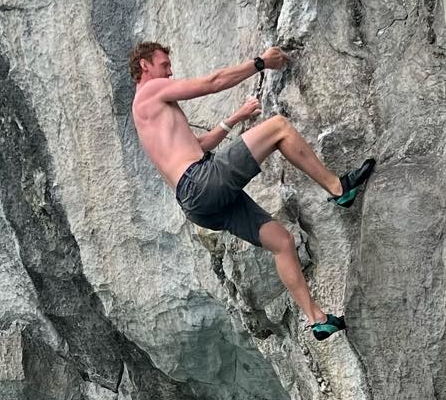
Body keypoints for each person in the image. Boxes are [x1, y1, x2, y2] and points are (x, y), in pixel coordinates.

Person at [128, 40, 373, 339]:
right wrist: (261, 62)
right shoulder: (150, 91)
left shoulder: (146, 115)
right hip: (201, 182)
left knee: (281, 242)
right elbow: (212, 82)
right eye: (164, 65)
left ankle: (317, 319)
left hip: (196, 205)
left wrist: (234, 119)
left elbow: (199, 145)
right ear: (145, 65)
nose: (170, 72)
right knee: (279, 127)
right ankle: (338, 188)